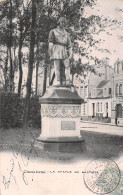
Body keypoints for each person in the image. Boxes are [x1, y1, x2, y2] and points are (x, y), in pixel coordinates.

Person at [48, 17, 73, 86]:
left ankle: (68, 81)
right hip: (56, 49)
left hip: (64, 49)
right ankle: (58, 81)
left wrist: (71, 54)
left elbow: (69, 45)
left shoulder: (67, 34)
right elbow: (50, 42)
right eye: (62, 22)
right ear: (59, 22)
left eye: (65, 22)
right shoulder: (53, 31)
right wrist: (50, 50)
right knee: (57, 66)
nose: (63, 23)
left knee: (67, 66)